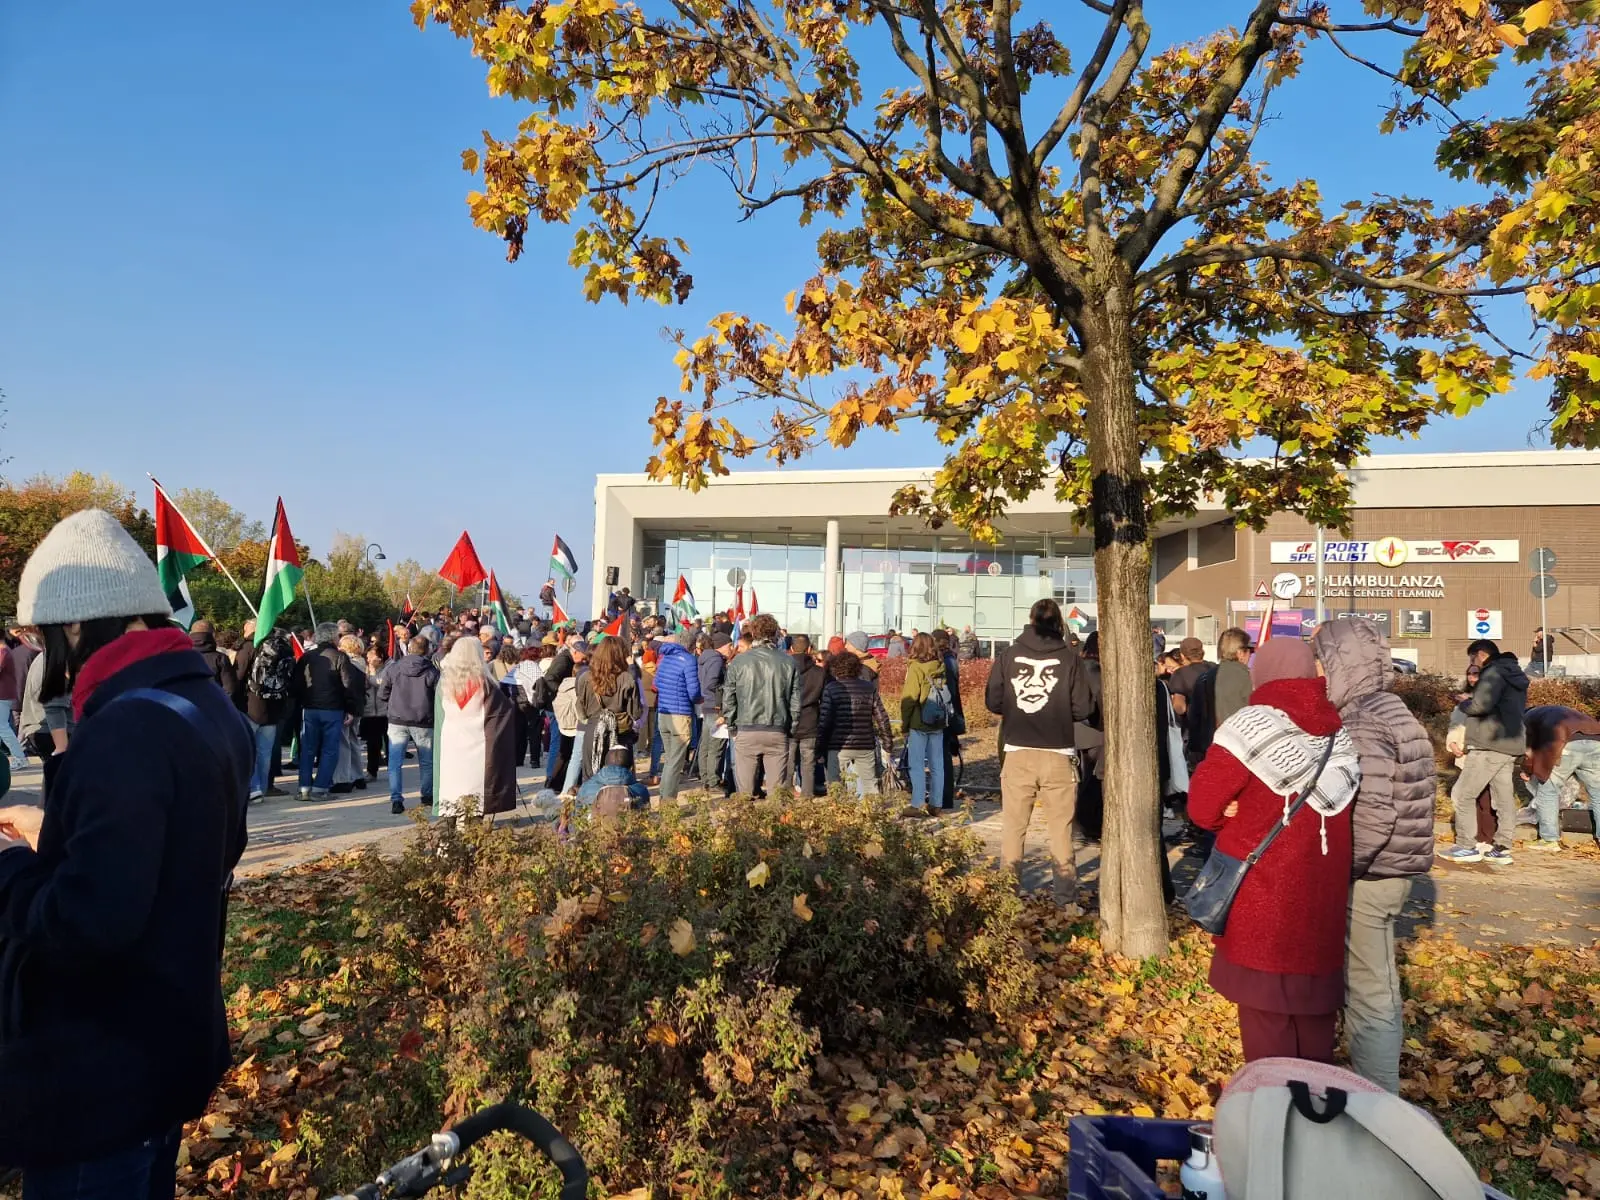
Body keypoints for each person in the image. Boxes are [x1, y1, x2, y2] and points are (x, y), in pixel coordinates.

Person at [0, 508, 250, 1192]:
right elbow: (194, 850)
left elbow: (87, 922)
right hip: (169, 1046)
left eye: (44, 635)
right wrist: (52, 831)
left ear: (79, 624)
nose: (44, 654)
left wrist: (9, 867)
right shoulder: (206, 704)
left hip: (98, 1075)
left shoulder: (122, 730)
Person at [1187, 637, 1361, 1065]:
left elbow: (1202, 806)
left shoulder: (1249, 727)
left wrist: (1231, 813)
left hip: (1263, 894)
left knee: (1266, 1025)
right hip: (1321, 895)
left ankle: (1272, 1104)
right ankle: (1313, 1102)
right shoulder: (1338, 730)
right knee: (1315, 1019)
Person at [1311, 617, 1436, 1093]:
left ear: (1340, 662)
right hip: (1394, 866)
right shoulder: (1391, 708)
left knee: (1370, 989)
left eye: (1321, 660)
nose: (1317, 671)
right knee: (1370, 982)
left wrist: (1339, 870)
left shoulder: (1363, 718)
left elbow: (1372, 812)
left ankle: (1379, 1099)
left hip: (1372, 872)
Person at [984, 598, 1095, 910]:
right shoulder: (1070, 659)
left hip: (1018, 751)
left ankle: (1007, 900)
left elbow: (992, 701)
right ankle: (1066, 903)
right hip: (1058, 753)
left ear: (1031, 620)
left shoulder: (1008, 655)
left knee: (1013, 829)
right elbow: (1084, 707)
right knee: (1060, 832)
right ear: (1059, 622)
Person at [1439, 639, 1528, 865]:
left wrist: (1464, 702)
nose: (1472, 663)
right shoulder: (1513, 673)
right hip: (1510, 744)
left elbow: (1480, 706)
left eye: (1472, 658)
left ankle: (1466, 846)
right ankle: (1502, 848)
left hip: (1489, 744)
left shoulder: (1493, 672)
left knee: (1462, 794)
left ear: (1480, 654)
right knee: (1503, 798)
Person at [434, 635, 518, 824]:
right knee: (474, 787)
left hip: (451, 743)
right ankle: (472, 828)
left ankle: (449, 828)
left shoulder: (444, 683)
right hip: (478, 744)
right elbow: (502, 712)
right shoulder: (486, 684)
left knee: (451, 786)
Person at [721, 613, 801, 798]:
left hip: (746, 729)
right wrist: (790, 728)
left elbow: (729, 699)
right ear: (775, 634)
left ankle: (746, 816)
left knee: (744, 794)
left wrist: (732, 727)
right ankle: (774, 817)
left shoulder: (739, 661)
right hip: (777, 729)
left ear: (753, 633)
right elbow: (795, 701)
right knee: (776, 795)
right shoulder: (788, 662)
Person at [289, 622, 362, 800]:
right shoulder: (340, 657)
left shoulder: (307, 657)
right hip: (333, 708)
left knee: (308, 749)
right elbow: (348, 685)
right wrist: (351, 709)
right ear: (333, 637)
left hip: (310, 708)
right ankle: (320, 787)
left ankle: (304, 787)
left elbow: (297, 684)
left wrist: (302, 702)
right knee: (330, 749)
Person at [1524, 704, 1600, 851]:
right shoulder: (1568, 712)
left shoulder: (1527, 718)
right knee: (1598, 794)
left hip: (1566, 743)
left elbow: (1529, 751)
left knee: (1548, 790)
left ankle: (1549, 840)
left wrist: (1527, 771)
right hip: (1596, 742)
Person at [818, 650, 894, 797]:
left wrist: (820, 748)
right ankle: (872, 810)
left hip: (838, 745)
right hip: (864, 743)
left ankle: (839, 810)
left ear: (836, 668)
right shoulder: (869, 688)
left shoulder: (831, 689)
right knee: (870, 786)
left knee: (836, 786)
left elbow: (824, 721)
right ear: (858, 668)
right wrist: (888, 744)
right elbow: (882, 718)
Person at [381, 635, 439, 815]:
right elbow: (438, 696)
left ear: (410, 648)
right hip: (423, 720)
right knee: (427, 761)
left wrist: (392, 704)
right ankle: (427, 795)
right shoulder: (432, 671)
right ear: (427, 650)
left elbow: (383, 693)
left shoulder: (394, 668)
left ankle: (396, 799)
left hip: (397, 719)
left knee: (394, 762)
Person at [237, 625, 294, 801]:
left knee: (248, 749)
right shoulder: (284, 647)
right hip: (275, 704)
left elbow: (239, 675)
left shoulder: (250, 646)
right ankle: (263, 786)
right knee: (265, 752)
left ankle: (253, 789)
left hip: (251, 705)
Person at [575, 637, 643, 778]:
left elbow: (581, 712)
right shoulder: (627, 678)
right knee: (620, 779)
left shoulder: (585, 678)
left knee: (592, 780)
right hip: (620, 734)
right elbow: (636, 713)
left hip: (593, 731)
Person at [899, 633, 947, 812]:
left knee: (917, 764)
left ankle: (918, 804)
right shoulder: (940, 666)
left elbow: (909, 699)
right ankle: (936, 803)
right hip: (937, 720)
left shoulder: (916, 668)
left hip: (919, 722)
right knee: (937, 765)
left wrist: (904, 725)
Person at [654, 628, 702, 802]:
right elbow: (694, 691)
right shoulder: (689, 660)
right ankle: (667, 802)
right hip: (680, 715)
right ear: (691, 646)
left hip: (663, 713)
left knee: (670, 760)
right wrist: (701, 699)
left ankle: (663, 797)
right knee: (675, 762)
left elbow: (656, 683)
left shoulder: (666, 657)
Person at [697, 631, 733, 794]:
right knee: (716, 746)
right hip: (715, 706)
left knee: (706, 744)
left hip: (707, 705)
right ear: (722, 646)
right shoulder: (716, 659)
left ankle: (705, 779)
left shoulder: (705, 658)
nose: (731, 649)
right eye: (730, 645)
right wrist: (726, 690)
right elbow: (711, 683)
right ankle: (713, 781)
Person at [789, 635, 825, 798]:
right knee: (808, 762)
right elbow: (824, 699)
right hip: (811, 720)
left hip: (789, 720)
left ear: (791, 649)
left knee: (787, 761)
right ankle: (807, 794)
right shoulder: (819, 672)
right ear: (809, 649)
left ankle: (784, 795)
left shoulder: (785, 669)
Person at [933, 629, 964, 809]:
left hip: (944, 713)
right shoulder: (950, 658)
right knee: (943, 755)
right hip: (949, 712)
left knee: (942, 756)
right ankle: (944, 797)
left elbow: (949, 691)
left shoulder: (945, 661)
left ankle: (944, 798)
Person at [577, 744, 652, 815]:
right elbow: (645, 815)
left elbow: (578, 815)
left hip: (595, 824)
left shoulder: (586, 788)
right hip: (629, 824)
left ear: (605, 765)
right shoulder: (641, 790)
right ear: (631, 768)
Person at [0, 632, 31, 771]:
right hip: (4, 695)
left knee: (2, 728)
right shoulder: (5, 651)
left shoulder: (3, 652)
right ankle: (19, 757)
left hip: (2, 695)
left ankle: (20, 758)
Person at [1212, 628, 1253, 726]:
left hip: (1213, 733)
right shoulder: (1245, 676)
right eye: (1250, 650)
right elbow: (1253, 710)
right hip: (1239, 730)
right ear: (1240, 653)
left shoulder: (1208, 675)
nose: (1251, 655)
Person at [188, 619, 238, 697]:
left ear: (191, 634)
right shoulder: (220, 658)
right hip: (215, 701)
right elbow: (229, 689)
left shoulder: (181, 658)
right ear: (213, 635)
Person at [360, 647, 389, 780]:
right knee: (372, 743)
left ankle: (392, 769)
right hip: (369, 711)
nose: (368, 660)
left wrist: (371, 675)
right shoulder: (365, 667)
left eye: (371, 657)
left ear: (380, 657)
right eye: (367, 657)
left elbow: (382, 684)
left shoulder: (388, 668)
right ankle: (372, 771)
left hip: (385, 711)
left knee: (389, 742)